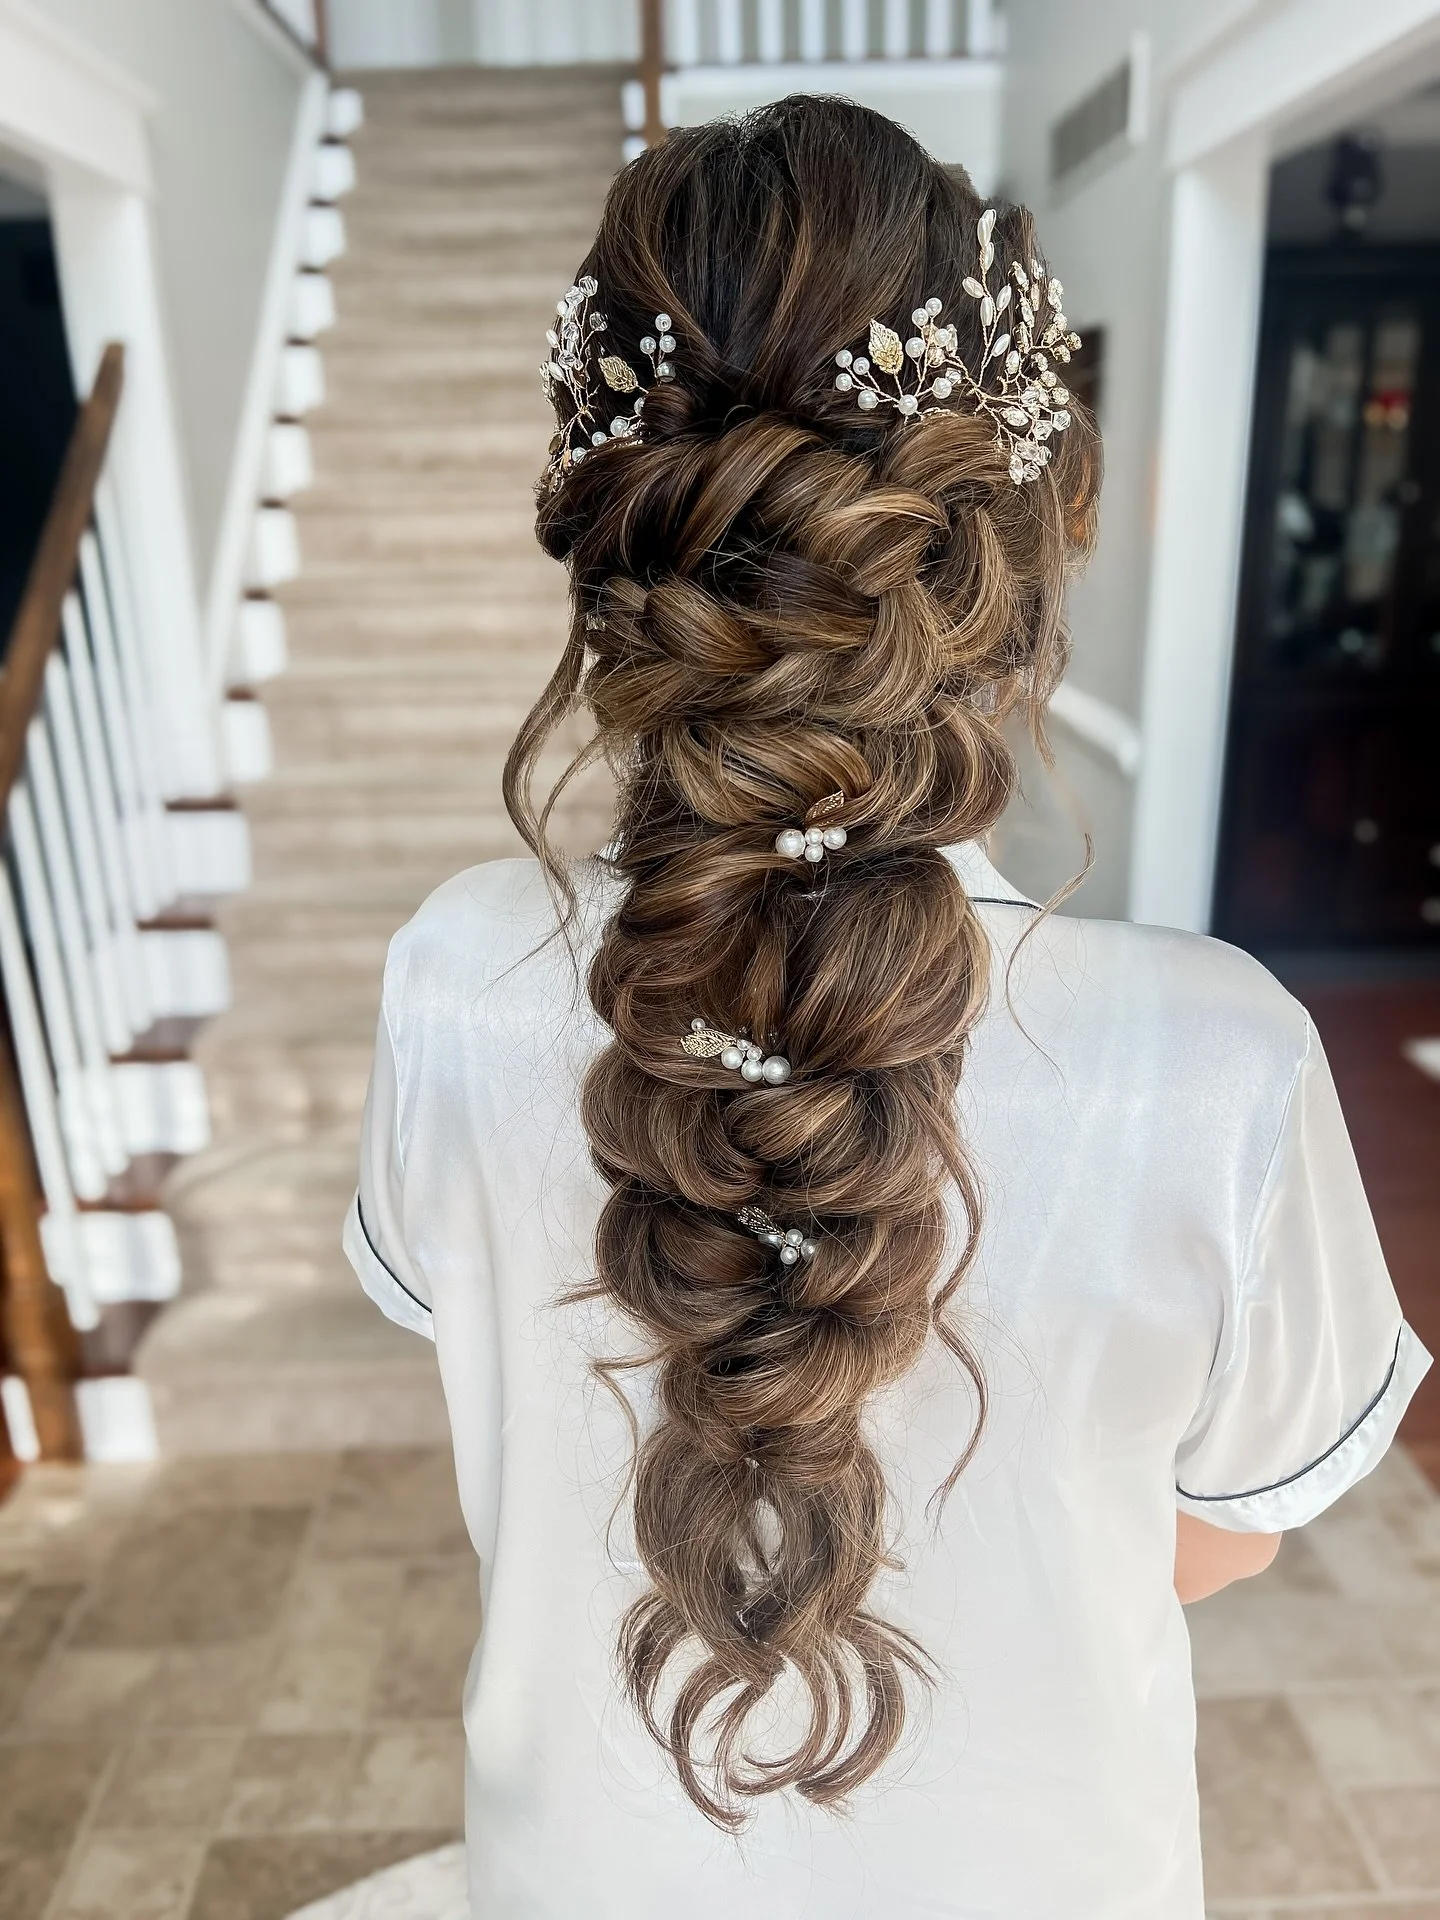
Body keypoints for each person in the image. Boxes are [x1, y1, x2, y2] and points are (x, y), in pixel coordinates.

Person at [343, 97, 1429, 1919]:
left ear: (618, 548)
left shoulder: (458, 976)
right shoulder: (1219, 1064)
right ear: (1030, 548)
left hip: (585, 1863)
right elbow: (1223, 1538)